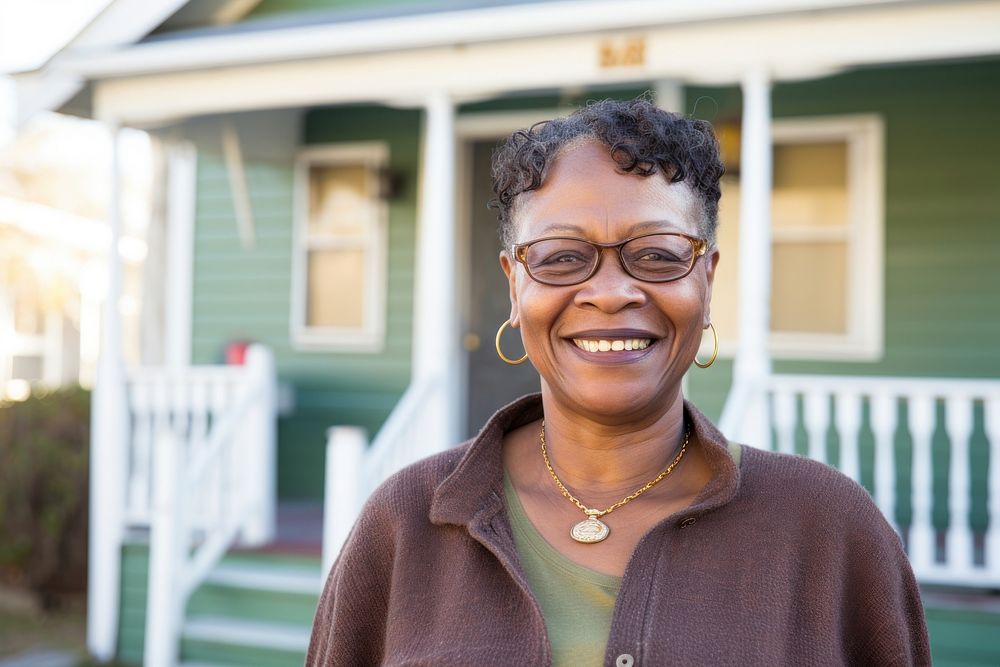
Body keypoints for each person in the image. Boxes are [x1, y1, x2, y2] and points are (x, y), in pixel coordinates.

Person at [306, 98, 930, 666]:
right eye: (560, 257)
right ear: (515, 286)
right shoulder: (405, 523)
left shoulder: (828, 531)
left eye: (658, 254)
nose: (609, 293)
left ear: (707, 282)